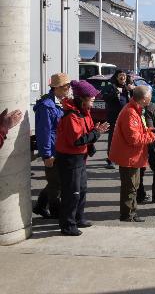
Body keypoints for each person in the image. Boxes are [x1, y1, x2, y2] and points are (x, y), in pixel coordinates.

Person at [55, 80, 109, 236]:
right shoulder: (72, 116)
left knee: (81, 190)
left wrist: (96, 132)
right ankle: (67, 225)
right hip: (69, 159)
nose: (93, 100)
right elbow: (77, 140)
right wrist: (96, 133)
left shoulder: (83, 113)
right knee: (71, 192)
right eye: (91, 98)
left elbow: (88, 133)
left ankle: (78, 218)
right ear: (82, 99)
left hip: (79, 158)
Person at [109, 86, 155, 222]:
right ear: (143, 99)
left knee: (133, 186)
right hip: (129, 156)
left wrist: (148, 131)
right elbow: (134, 139)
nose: (150, 99)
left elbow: (138, 132)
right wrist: (151, 136)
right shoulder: (131, 112)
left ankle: (131, 212)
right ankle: (127, 214)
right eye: (149, 97)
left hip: (132, 156)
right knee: (130, 187)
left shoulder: (135, 110)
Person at [33, 73, 70, 219]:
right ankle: (55, 212)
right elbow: (44, 132)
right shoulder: (46, 106)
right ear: (56, 88)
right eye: (65, 86)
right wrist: (47, 154)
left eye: (68, 86)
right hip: (53, 150)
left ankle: (40, 206)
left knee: (56, 181)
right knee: (55, 183)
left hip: (62, 148)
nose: (68, 89)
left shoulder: (61, 102)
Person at [104, 69, 133, 169]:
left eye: (124, 75)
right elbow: (105, 98)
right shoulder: (111, 86)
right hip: (114, 117)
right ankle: (110, 159)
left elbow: (135, 99)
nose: (123, 77)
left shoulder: (128, 87)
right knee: (113, 138)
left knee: (126, 138)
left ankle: (122, 157)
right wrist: (116, 92)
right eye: (121, 75)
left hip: (126, 117)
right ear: (116, 77)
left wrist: (132, 90)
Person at [138, 100, 155, 204]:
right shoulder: (151, 107)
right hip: (151, 141)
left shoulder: (131, 108)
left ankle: (140, 196)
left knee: (140, 169)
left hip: (139, 142)